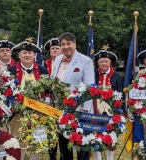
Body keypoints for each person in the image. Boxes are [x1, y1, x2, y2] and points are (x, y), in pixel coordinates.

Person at [52, 32, 94, 160]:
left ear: (74, 44)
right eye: (63, 44)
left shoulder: (85, 61)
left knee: (82, 148)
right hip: (61, 111)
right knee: (65, 148)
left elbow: (90, 87)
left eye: (68, 44)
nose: (66, 47)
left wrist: (85, 110)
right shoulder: (58, 59)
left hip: (80, 111)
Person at [8, 37, 50, 160]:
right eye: (24, 53)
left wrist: (47, 98)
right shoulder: (11, 71)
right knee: (17, 142)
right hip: (17, 114)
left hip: (37, 113)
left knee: (35, 142)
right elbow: (7, 91)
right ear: (19, 55)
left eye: (30, 53)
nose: (27, 55)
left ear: (34, 55)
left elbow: (49, 90)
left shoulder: (42, 70)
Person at [93, 45, 123, 160]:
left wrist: (120, 111)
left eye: (106, 61)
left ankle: (110, 158)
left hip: (111, 110)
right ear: (98, 63)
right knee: (96, 134)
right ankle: (98, 157)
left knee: (111, 134)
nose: (104, 64)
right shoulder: (93, 73)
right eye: (101, 62)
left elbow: (121, 94)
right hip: (96, 109)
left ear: (110, 62)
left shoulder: (117, 76)